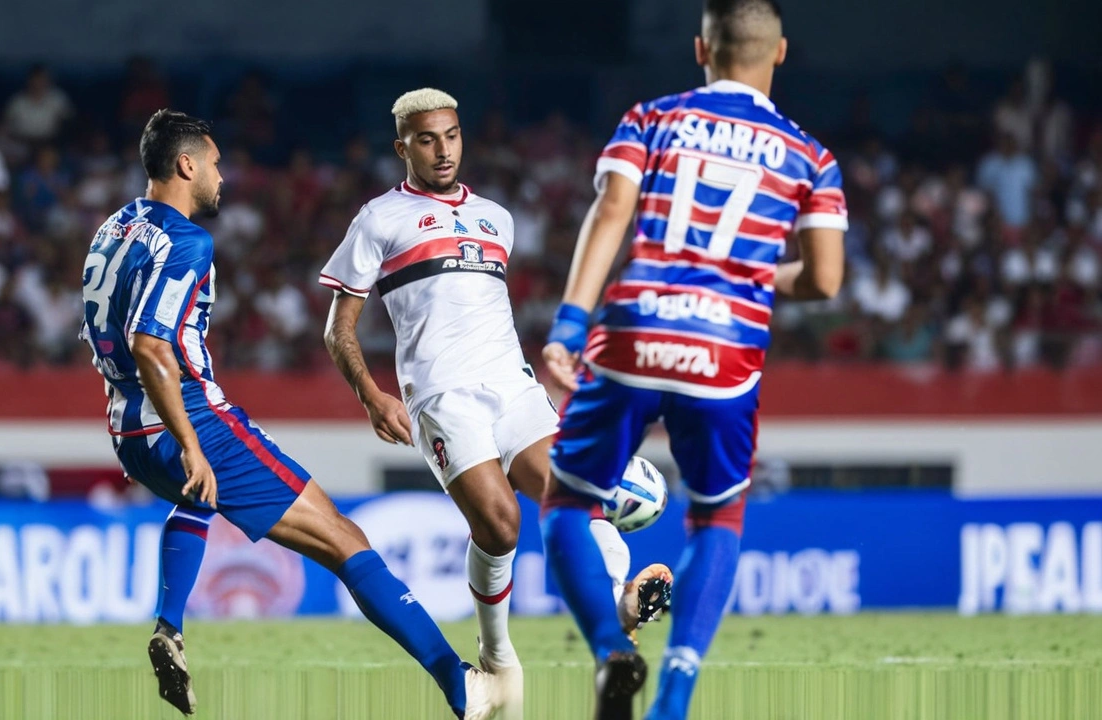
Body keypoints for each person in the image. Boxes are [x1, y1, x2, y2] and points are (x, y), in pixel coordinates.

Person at [80, 109, 499, 719]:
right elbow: (150, 344)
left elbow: (110, 334)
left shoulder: (112, 228)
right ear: (186, 164)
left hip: (126, 429)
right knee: (345, 540)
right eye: (217, 164)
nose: (223, 177)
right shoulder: (186, 240)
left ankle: (169, 625)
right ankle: (462, 686)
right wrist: (191, 440)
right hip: (190, 421)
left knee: (197, 499)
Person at [317, 88, 673, 720]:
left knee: (575, 498)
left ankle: (618, 608)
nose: (442, 149)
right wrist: (372, 395)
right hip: (441, 397)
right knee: (502, 522)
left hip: (514, 388)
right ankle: (498, 660)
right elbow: (339, 327)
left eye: (451, 135)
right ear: (403, 147)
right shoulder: (379, 220)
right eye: (426, 139)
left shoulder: (496, 219)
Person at [539, 1, 848, 718]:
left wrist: (568, 324)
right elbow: (826, 280)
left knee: (569, 505)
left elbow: (612, 211)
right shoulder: (811, 155)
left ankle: (614, 654)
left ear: (701, 48)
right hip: (725, 350)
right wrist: (742, 271)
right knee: (717, 520)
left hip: (632, 331)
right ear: (779, 54)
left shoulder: (651, 117)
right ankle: (674, 693)